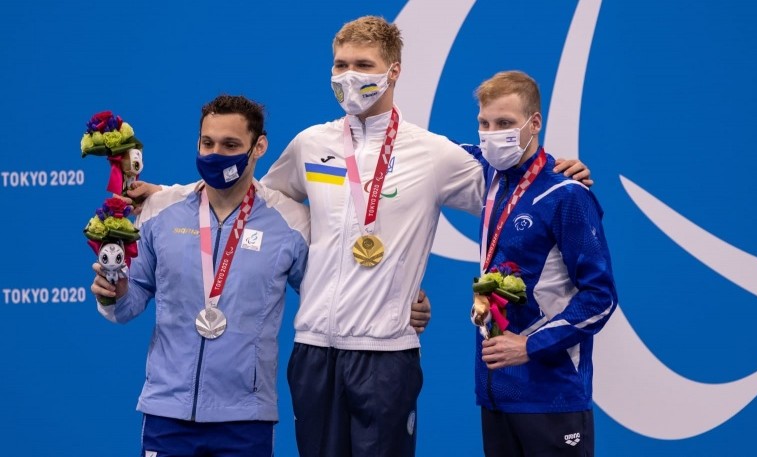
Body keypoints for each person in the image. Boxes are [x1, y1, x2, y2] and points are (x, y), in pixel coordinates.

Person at [128, 16, 590, 457]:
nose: (350, 76)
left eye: (363, 65)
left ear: (394, 71)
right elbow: (252, 198)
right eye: (341, 65)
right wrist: (170, 194)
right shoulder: (311, 144)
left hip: (385, 353)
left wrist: (557, 172)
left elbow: (512, 194)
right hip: (313, 350)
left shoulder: (433, 154)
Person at [90, 95, 310, 457]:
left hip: (245, 419)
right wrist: (111, 294)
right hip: (167, 413)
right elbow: (127, 306)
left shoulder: (291, 223)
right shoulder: (162, 211)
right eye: (207, 143)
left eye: (230, 145)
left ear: (259, 147)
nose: (215, 154)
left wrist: (402, 302)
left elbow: (330, 295)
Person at [468, 71, 618, 457]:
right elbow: (421, 150)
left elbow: (600, 297)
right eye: (485, 123)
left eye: (505, 124)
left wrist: (532, 345)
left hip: (552, 394)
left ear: (535, 123)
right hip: (496, 391)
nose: (491, 134)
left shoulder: (567, 194)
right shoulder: (490, 175)